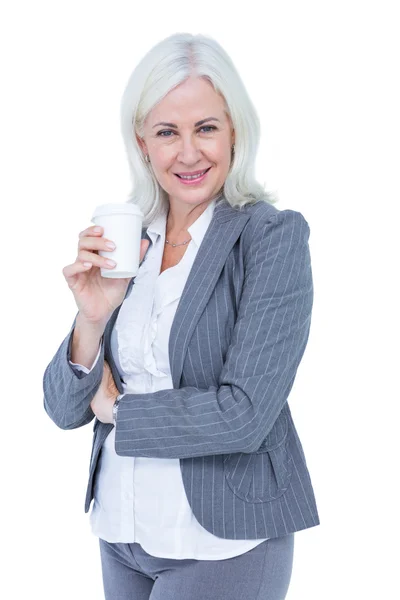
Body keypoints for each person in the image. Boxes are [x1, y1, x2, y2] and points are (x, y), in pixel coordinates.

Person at [43, 32, 320, 600]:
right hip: (120, 529)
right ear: (143, 143)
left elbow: (245, 414)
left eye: (206, 128)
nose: (189, 153)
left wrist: (121, 410)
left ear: (235, 131)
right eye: (168, 132)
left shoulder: (270, 238)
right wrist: (91, 319)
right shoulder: (130, 240)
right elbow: (62, 408)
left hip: (222, 540)